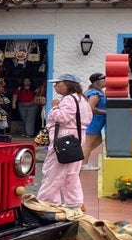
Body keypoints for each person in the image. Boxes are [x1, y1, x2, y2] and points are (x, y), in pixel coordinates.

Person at [36, 73, 93, 208]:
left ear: (68, 85)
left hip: (64, 138)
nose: (55, 87)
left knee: (53, 171)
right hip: (76, 138)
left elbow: (62, 118)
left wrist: (56, 107)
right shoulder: (81, 99)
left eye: (58, 84)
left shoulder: (68, 100)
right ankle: (74, 202)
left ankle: (46, 202)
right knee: (71, 173)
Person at [81, 73, 107, 170]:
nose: (106, 81)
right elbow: (90, 108)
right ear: (98, 82)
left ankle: (82, 160)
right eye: (104, 80)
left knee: (97, 140)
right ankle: (83, 164)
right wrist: (105, 112)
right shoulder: (95, 94)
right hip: (94, 121)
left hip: (98, 121)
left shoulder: (99, 92)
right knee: (88, 143)